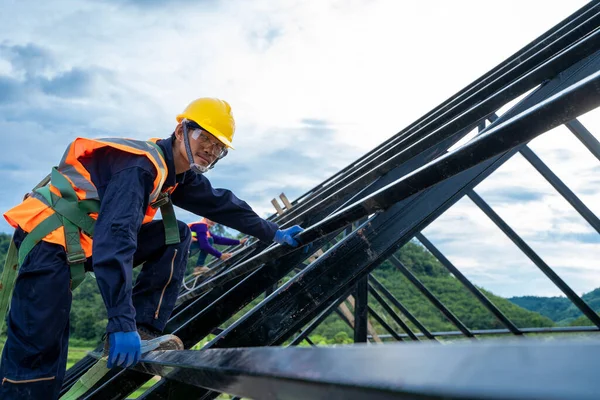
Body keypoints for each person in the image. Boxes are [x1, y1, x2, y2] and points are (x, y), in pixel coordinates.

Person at [0, 97, 304, 399]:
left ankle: (145, 330)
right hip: (49, 243)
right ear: (181, 129)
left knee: (177, 234)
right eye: (205, 137)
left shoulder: (175, 172)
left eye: (219, 146)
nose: (210, 149)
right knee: (37, 355)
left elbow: (221, 204)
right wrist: (120, 323)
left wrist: (273, 232)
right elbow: (116, 240)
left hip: (81, 243)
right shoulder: (140, 169)